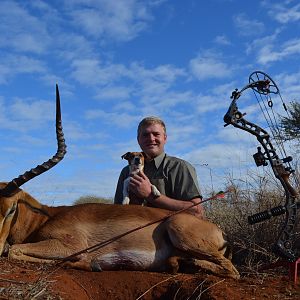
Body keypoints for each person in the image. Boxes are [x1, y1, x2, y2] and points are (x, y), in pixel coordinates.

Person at [114, 116, 204, 218]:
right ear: (138, 140)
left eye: (156, 134)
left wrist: (150, 195)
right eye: (145, 135)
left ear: (165, 138)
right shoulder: (126, 171)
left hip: (168, 231)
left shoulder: (180, 167)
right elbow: (117, 210)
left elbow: (196, 211)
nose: (151, 139)